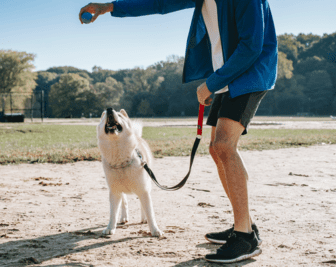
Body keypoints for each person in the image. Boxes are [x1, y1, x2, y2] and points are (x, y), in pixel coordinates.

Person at [79, 0, 278, 263]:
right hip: (228, 73)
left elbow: (252, 46)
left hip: (250, 72)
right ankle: (245, 224)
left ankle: (245, 238)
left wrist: (212, 83)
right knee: (216, 150)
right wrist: (109, 7)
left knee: (224, 147)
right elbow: (159, 2)